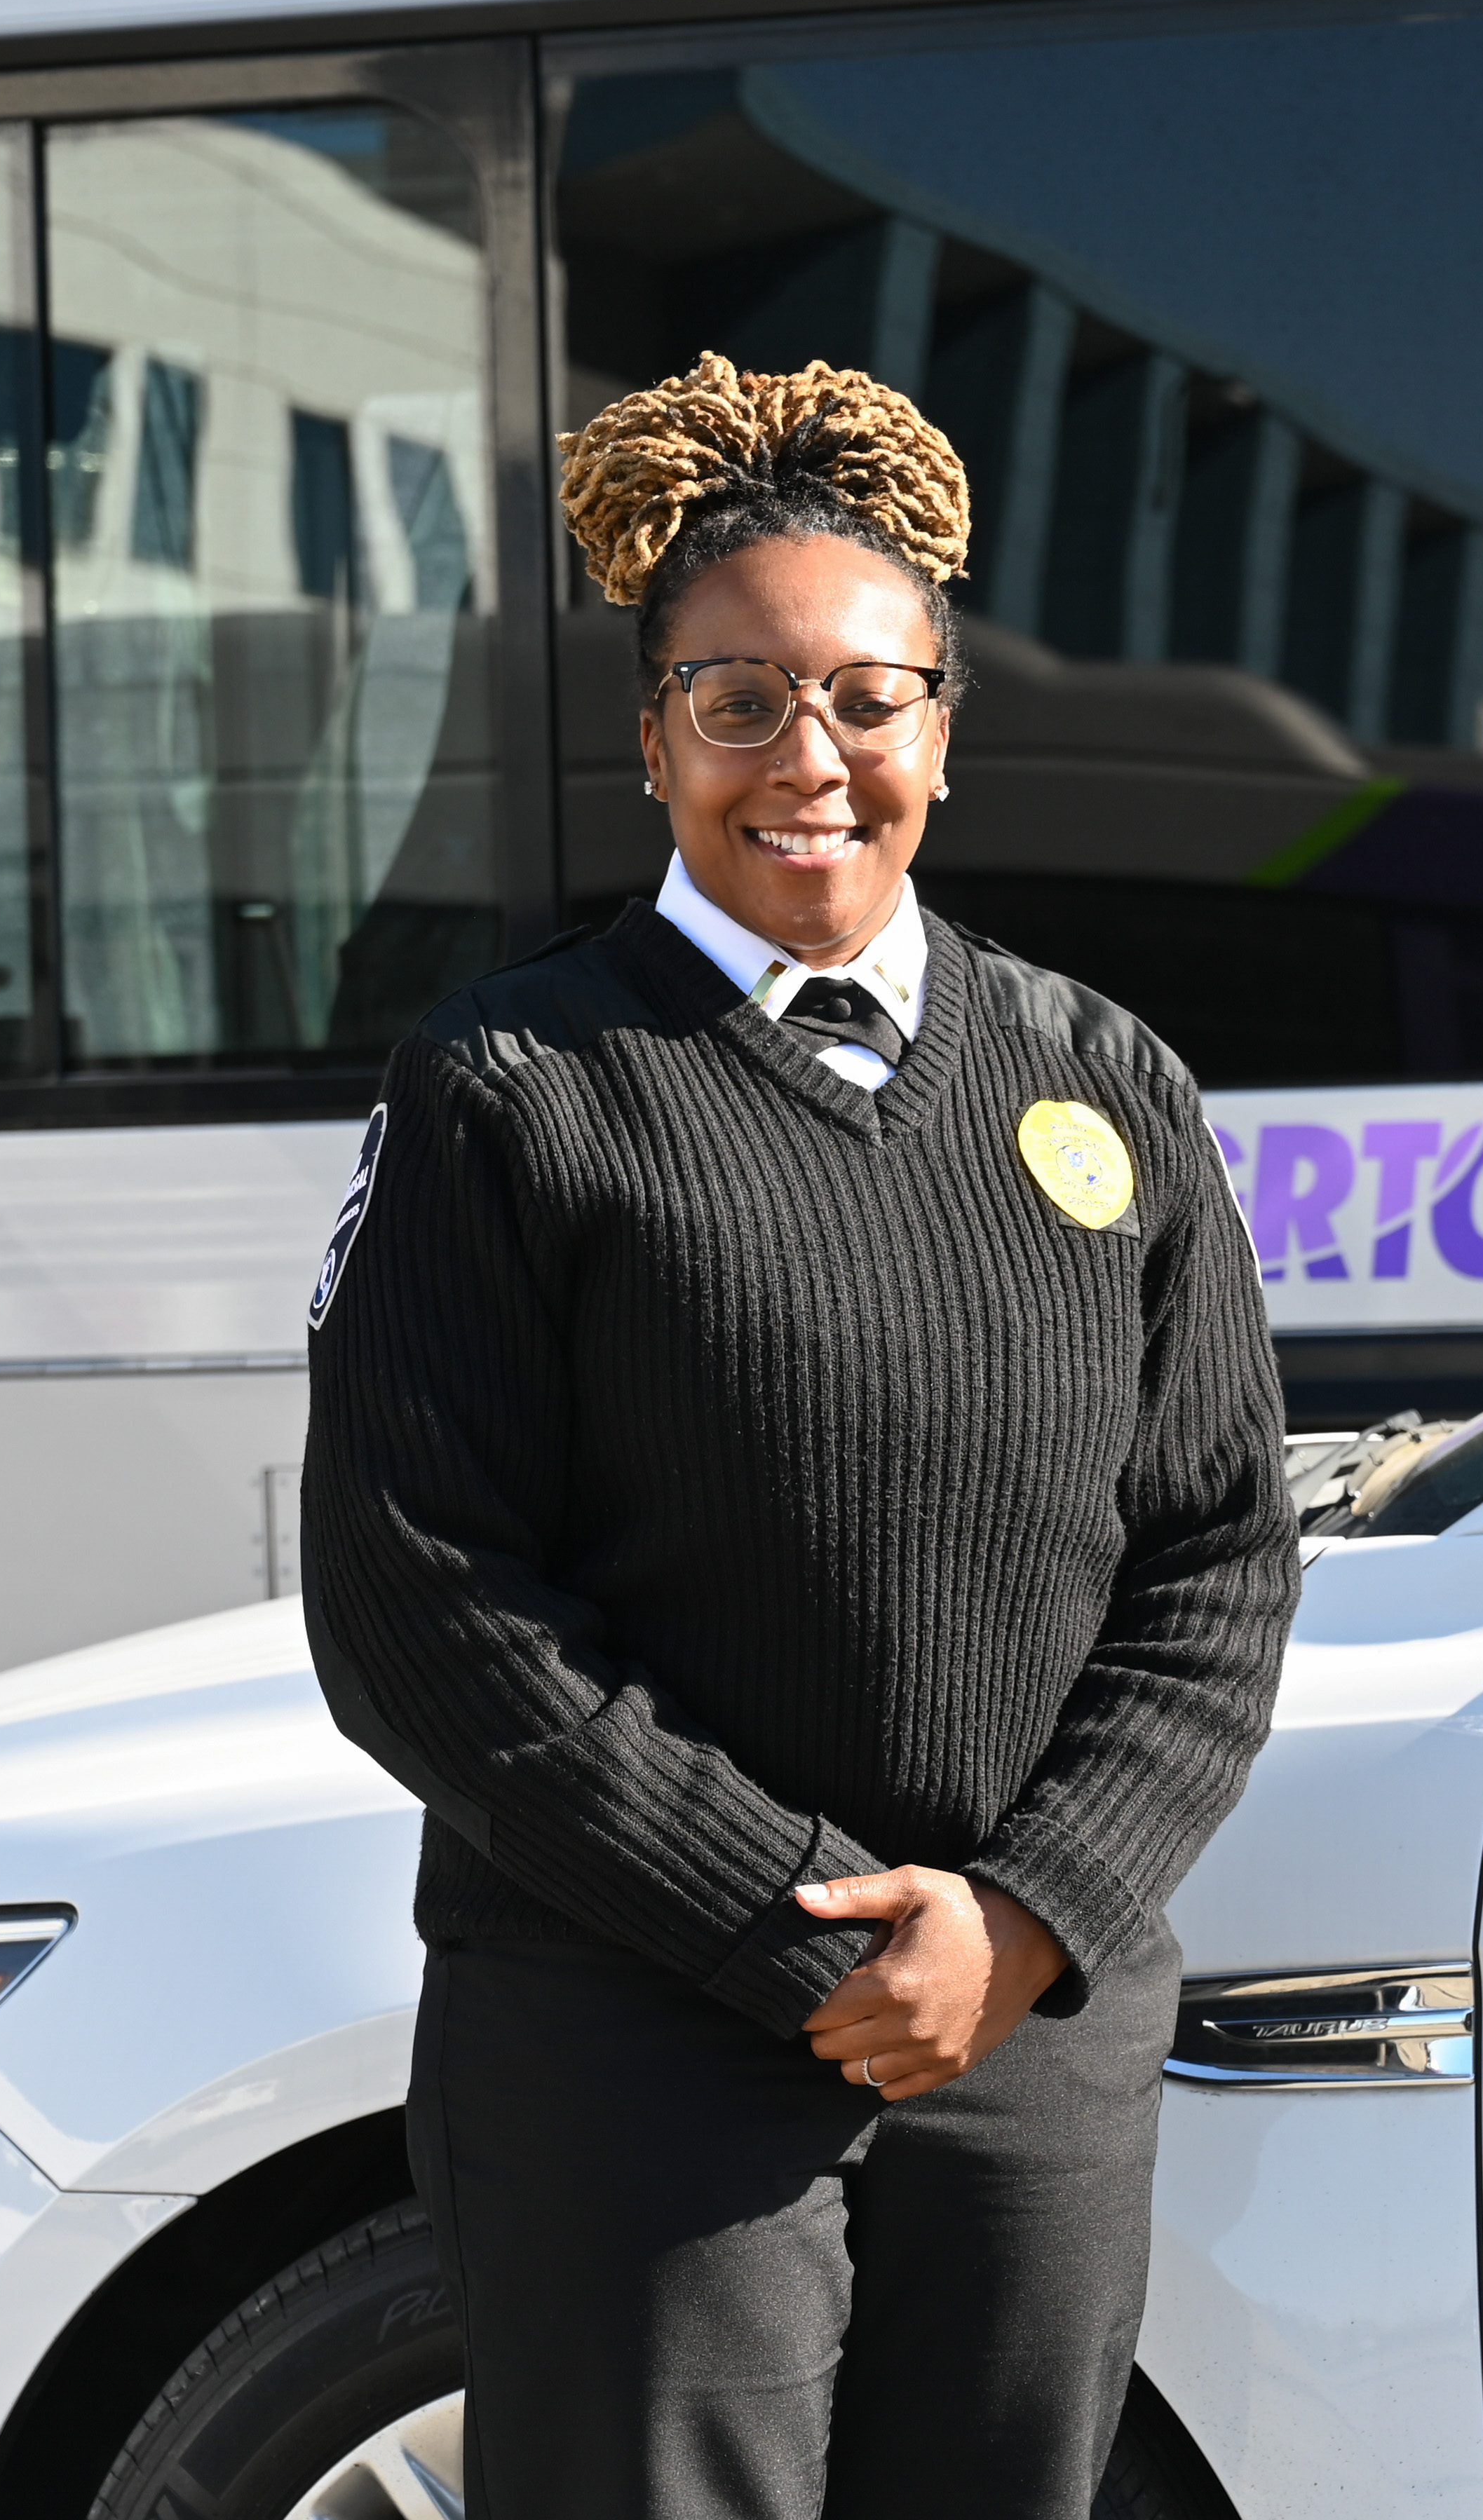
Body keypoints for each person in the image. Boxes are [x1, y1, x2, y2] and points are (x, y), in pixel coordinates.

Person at [300, 352, 1300, 2520]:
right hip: (636, 2041)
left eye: (867, 695)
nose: (810, 760)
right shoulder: (513, 1090)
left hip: (1020, 2037)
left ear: (943, 721)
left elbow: (1218, 1561)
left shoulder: (1104, 1078)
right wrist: (800, 1938)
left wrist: (1022, 1922)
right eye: (739, 700)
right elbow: (418, 1599)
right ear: (653, 737)